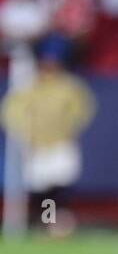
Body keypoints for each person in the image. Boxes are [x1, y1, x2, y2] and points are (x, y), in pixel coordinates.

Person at [0, 43, 95, 235]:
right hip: (37, 144)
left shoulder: (68, 86)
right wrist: (23, 131)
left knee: (60, 184)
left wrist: (69, 127)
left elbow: (82, 108)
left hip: (61, 142)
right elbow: (12, 111)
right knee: (41, 188)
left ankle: (58, 222)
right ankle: (46, 222)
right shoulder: (29, 88)